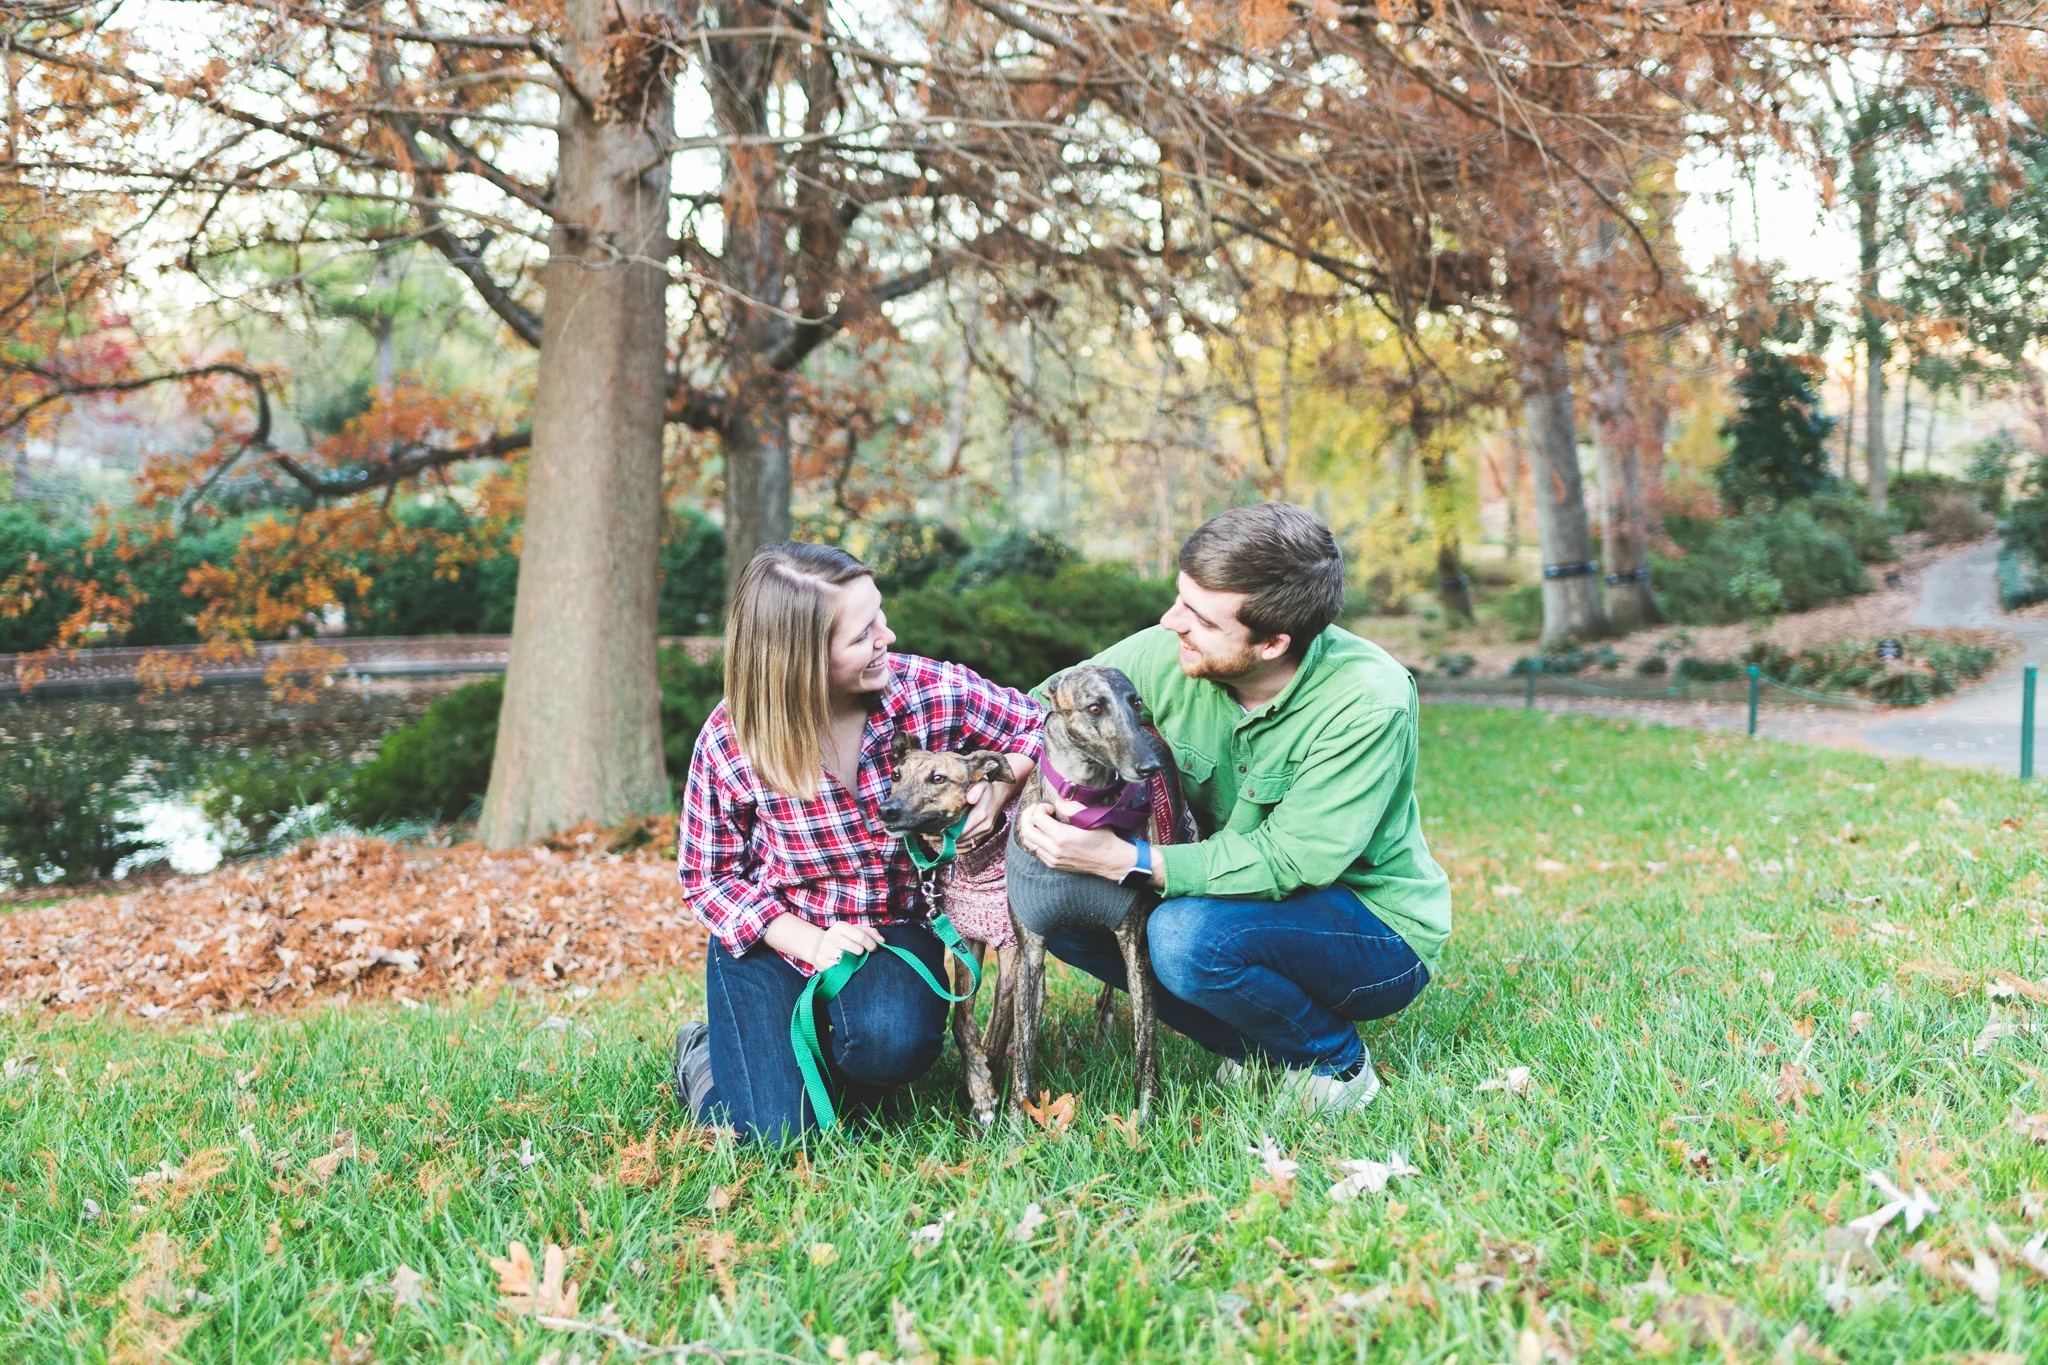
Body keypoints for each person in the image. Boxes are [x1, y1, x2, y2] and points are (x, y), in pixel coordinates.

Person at [1014, 503, 1450, 1115]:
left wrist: (1125, 861)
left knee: (1185, 937)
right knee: (1063, 910)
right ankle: (1262, 1049)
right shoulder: (1166, 651)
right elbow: (1038, 708)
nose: (1171, 622)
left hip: (1371, 927)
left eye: (1198, 617)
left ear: (1273, 642)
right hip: (1225, 896)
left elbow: (1293, 858)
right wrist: (1010, 772)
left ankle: (1333, 1062)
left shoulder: (1367, 700)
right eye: (1178, 598)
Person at [670, 543, 1041, 1143]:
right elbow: (707, 878)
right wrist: (812, 943)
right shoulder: (731, 739)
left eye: (881, 616)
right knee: (776, 1135)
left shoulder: (925, 691)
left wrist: (1001, 790)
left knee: (889, 1046)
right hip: (776, 934)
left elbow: (1037, 724)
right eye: (863, 633)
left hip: (891, 927)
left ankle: (839, 1051)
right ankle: (707, 1055)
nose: (887, 636)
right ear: (800, 659)